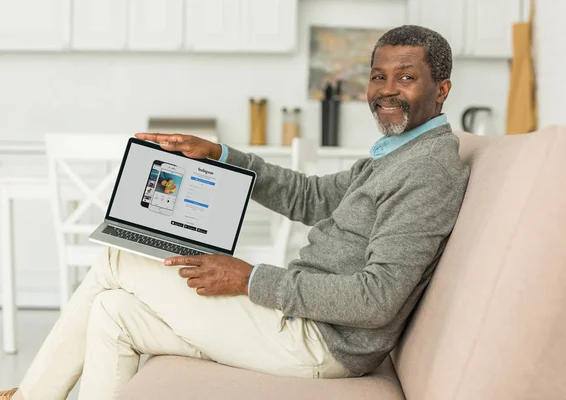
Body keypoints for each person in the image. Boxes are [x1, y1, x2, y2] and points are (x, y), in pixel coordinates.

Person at [1, 25, 470, 400]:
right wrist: (223, 156)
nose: (386, 91)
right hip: (302, 323)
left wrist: (249, 278)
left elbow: (375, 300)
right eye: (378, 76)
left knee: (116, 259)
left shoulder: (427, 169)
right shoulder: (396, 154)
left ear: (441, 89)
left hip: (320, 343)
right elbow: (311, 197)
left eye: (405, 77)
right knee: (112, 311)